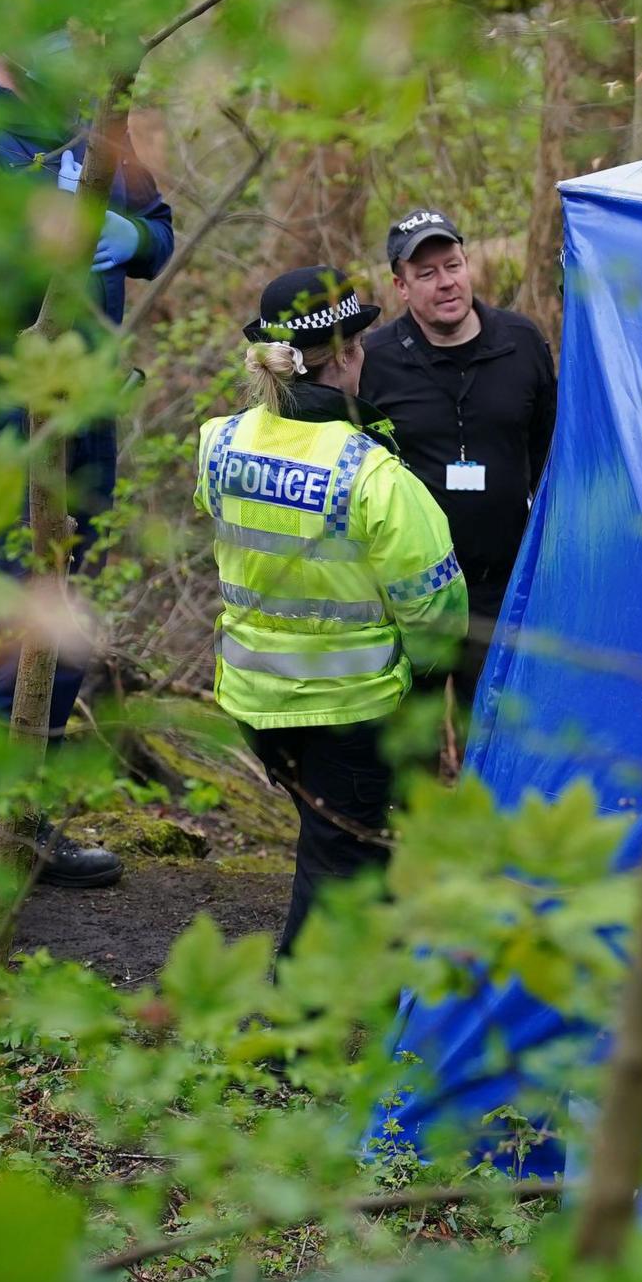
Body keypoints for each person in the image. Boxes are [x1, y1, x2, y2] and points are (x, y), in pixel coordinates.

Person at [0, 0, 177, 889]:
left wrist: (126, 236)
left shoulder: (91, 121)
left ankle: (21, 818)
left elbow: (161, 230)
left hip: (85, 412)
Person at [205, 266, 470, 954]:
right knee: (335, 869)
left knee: (338, 848)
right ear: (350, 354)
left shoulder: (219, 445)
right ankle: (297, 1040)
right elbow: (439, 618)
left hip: (254, 705)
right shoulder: (374, 478)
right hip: (349, 716)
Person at [358, 208, 556, 755]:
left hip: (501, 585)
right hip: (413, 595)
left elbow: (548, 456)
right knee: (410, 753)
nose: (446, 283)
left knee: (494, 742)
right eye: (426, 274)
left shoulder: (522, 343)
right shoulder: (373, 363)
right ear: (400, 286)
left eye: (453, 265)